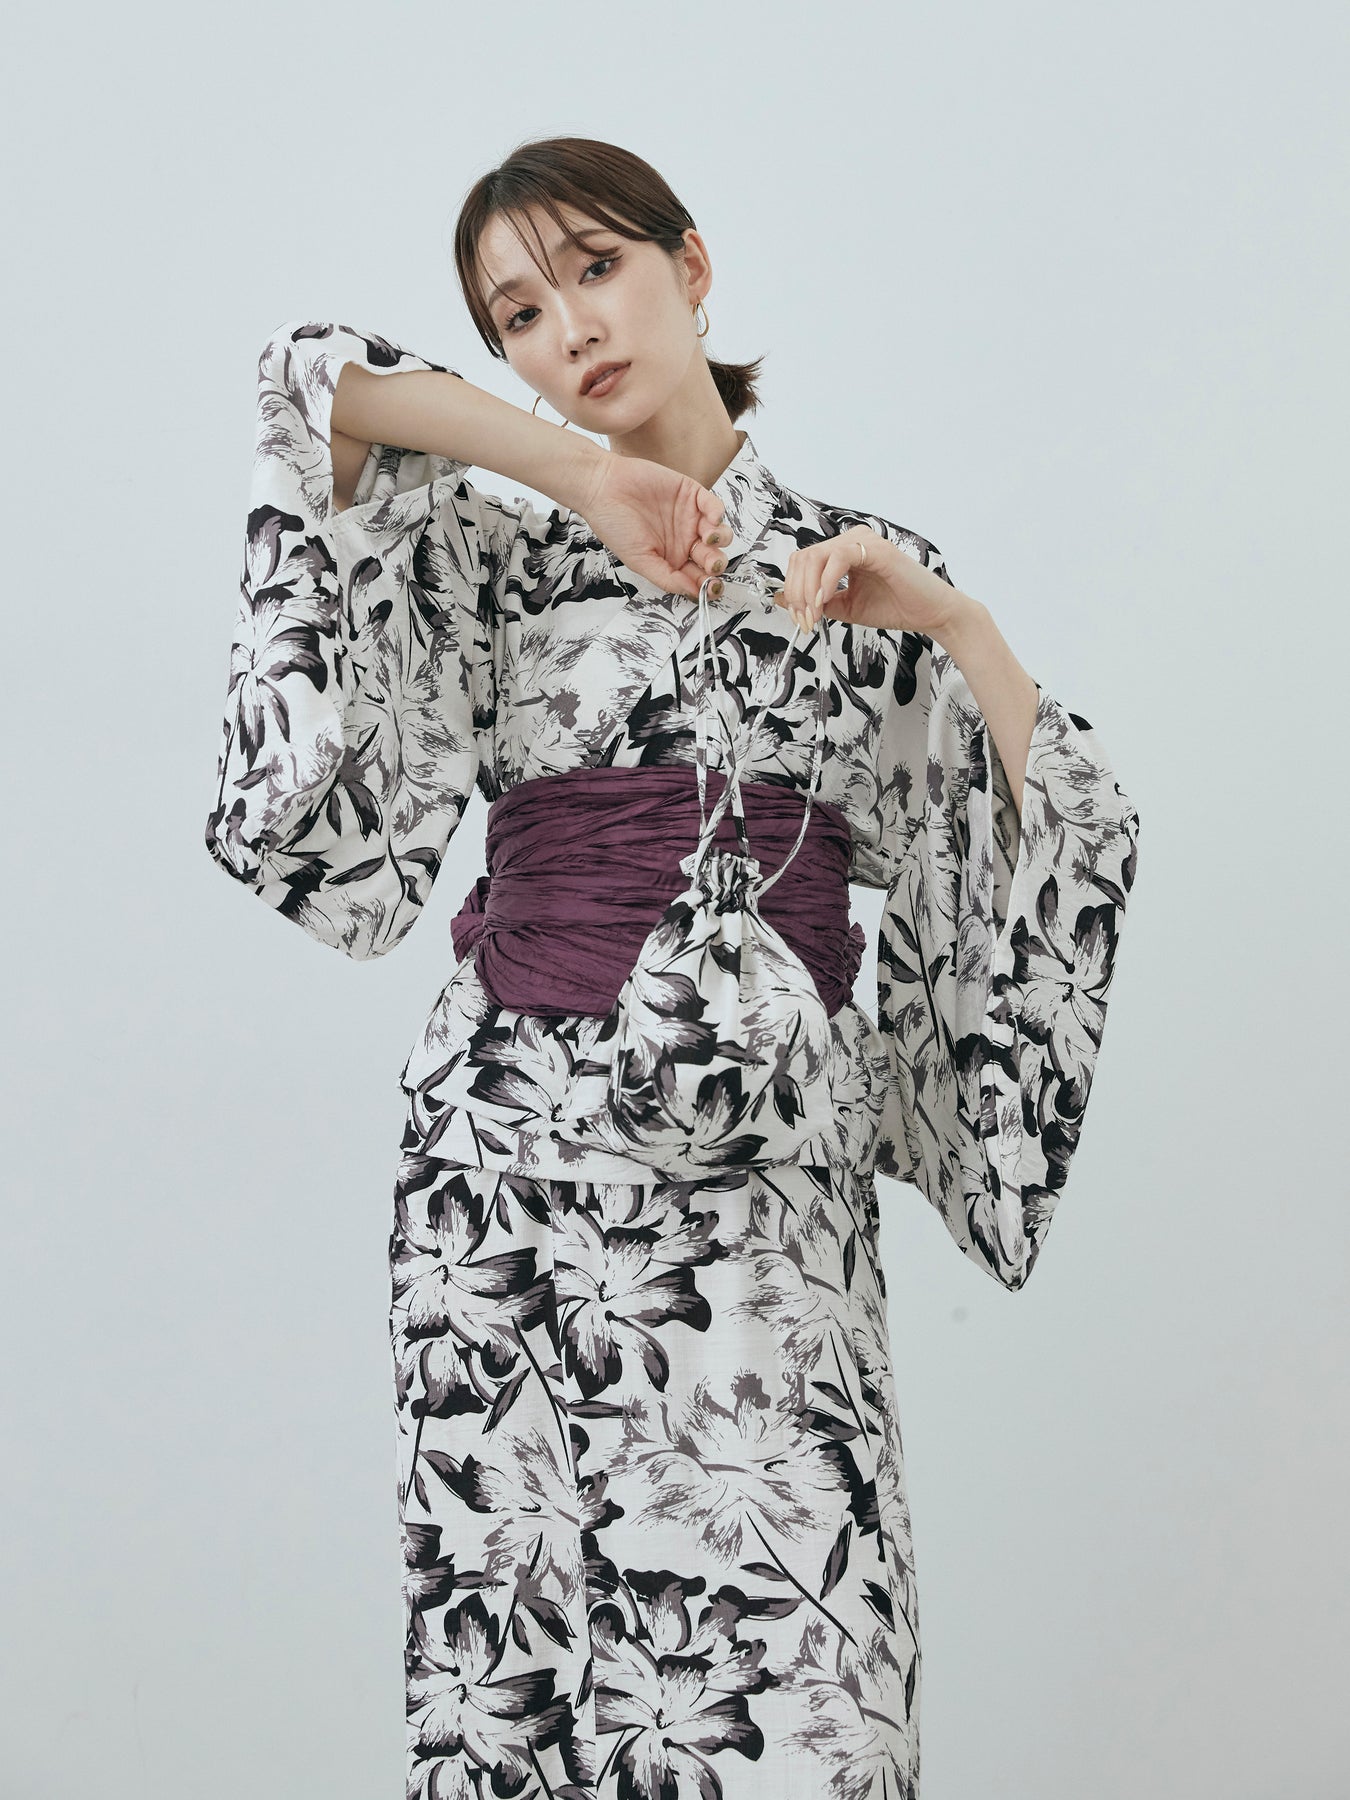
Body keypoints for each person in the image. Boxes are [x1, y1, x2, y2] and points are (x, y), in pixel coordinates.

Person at [205, 134, 1141, 1800]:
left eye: (595, 268)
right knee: (535, 1699)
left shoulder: (856, 565)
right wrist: (578, 478)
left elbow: (1055, 831)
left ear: (689, 268)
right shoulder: (502, 557)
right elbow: (309, 382)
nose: (568, 326)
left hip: (765, 1190)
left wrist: (956, 627)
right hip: (513, 1175)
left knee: (823, 1713)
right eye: (517, 312)